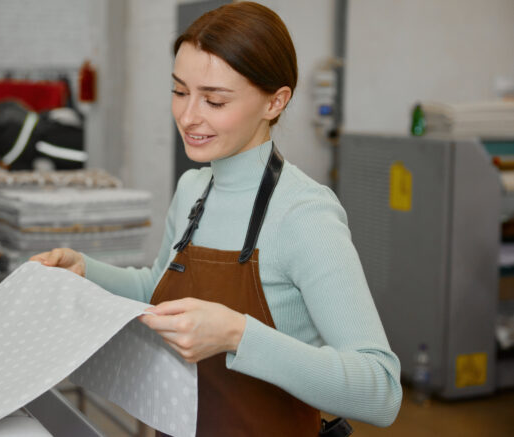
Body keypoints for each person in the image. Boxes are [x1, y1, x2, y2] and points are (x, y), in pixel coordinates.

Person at [31, 2, 402, 435]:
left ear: (275, 101)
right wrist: (86, 271)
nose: (188, 116)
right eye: (179, 91)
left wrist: (237, 335)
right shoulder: (193, 189)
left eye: (214, 99)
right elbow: (158, 291)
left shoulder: (304, 215)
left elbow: (380, 390)